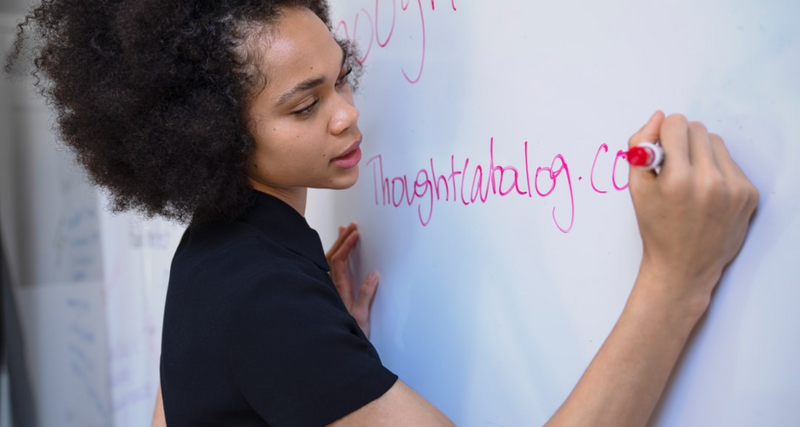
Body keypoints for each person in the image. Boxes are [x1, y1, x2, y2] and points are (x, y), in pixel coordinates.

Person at [7, 0, 758, 425]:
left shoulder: (219, 250)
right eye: (306, 104)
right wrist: (676, 277)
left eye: (339, 79)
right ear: (206, 133)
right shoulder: (260, 290)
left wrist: (315, 373)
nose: (347, 115)